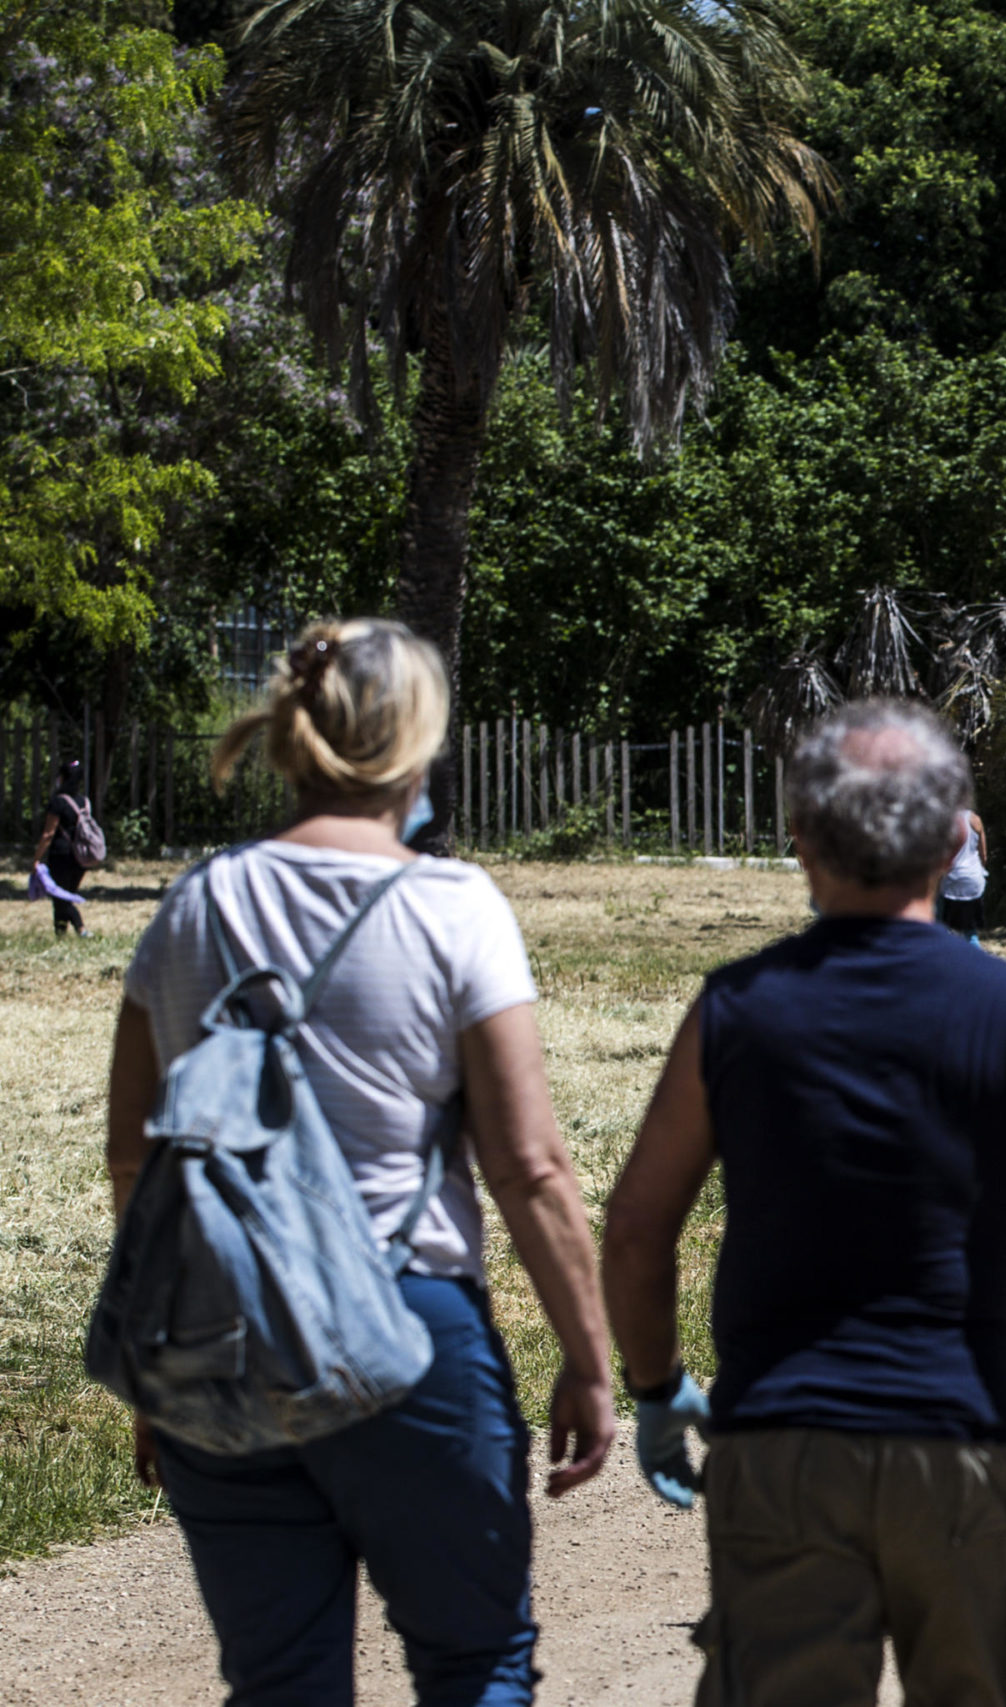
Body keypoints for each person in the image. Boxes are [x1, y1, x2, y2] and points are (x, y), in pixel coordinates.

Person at [601, 700, 1006, 1707]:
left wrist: (655, 1384)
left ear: (799, 837)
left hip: (778, 1443)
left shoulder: (733, 1009)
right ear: (957, 833)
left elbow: (641, 1221)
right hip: (956, 1438)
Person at [106, 619, 615, 1706]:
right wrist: (588, 1357)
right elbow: (529, 1167)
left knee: (279, 1682)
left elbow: (134, 1159)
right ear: (418, 747)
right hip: (409, 1331)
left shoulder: (195, 903)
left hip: (220, 1333)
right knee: (474, 1662)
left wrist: (160, 1362)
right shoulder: (453, 908)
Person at [32, 757, 101, 936]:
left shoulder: (58, 802)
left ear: (63, 778)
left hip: (61, 855)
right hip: (80, 856)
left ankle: (82, 930)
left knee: (61, 897)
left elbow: (48, 834)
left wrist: (36, 858)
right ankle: (60, 935)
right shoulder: (84, 802)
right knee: (64, 895)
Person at [938, 807, 991, 944]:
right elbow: (983, 855)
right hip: (973, 880)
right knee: (970, 931)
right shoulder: (975, 820)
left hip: (952, 880)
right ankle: (977, 960)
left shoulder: (947, 822)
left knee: (942, 927)